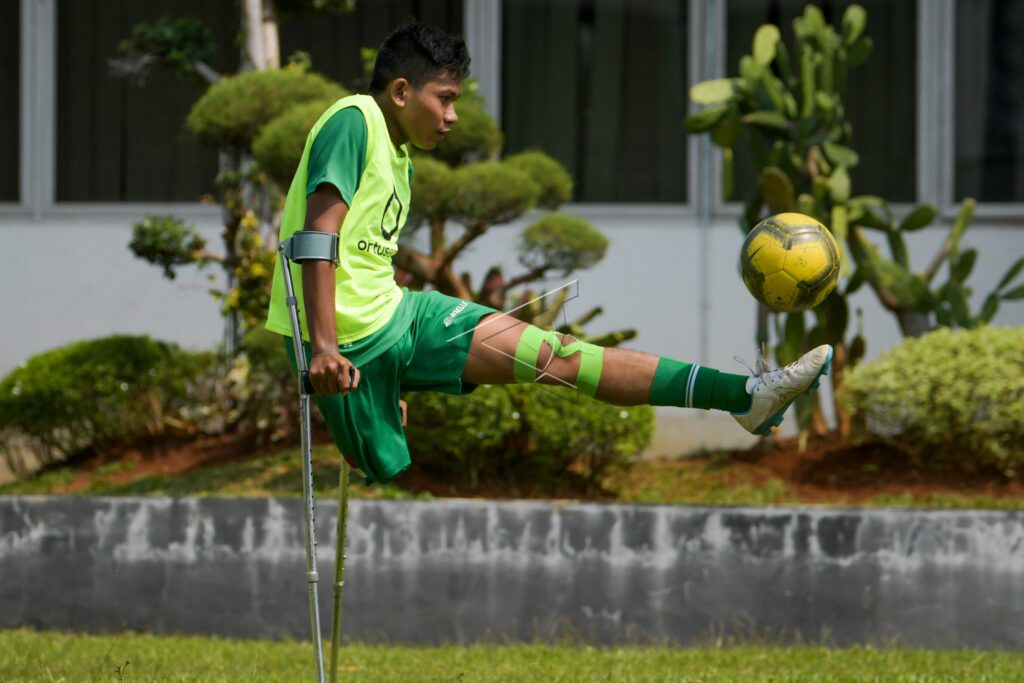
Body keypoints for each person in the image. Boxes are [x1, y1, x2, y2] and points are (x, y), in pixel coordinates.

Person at [266, 21, 832, 485]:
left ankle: (744, 396)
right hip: (348, 346)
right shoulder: (354, 121)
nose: (453, 116)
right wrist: (322, 348)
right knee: (380, 468)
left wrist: (404, 374)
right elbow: (318, 239)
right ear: (400, 92)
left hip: (402, 318)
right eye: (446, 99)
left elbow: (367, 264)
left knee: (560, 358)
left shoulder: (401, 158)